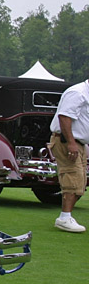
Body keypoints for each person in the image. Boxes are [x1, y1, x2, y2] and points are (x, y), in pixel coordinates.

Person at [49, 78, 89, 232]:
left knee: (80, 182)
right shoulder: (77, 93)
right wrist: (71, 142)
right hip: (67, 142)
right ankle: (64, 218)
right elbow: (64, 117)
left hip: (78, 143)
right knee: (73, 179)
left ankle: (66, 216)